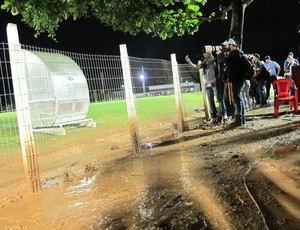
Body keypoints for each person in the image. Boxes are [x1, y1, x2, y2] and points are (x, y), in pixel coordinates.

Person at [185, 52, 220, 124]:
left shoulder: (216, 60)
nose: (203, 55)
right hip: (208, 84)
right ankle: (214, 117)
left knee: (219, 100)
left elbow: (221, 72)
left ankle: (222, 116)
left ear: (209, 53)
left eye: (204, 53)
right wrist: (189, 61)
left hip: (215, 83)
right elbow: (196, 67)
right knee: (211, 101)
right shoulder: (205, 62)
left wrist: (215, 79)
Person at [222, 38, 246, 127]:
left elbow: (228, 63)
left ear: (231, 45)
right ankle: (241, 119)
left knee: (237, 98)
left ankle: (239, 120)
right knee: (239, 98)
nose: (225, 47)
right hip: (238, 78)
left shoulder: (236, 53)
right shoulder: (237, 53)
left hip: (237, 79)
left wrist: (222, 55)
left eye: (226, 45)